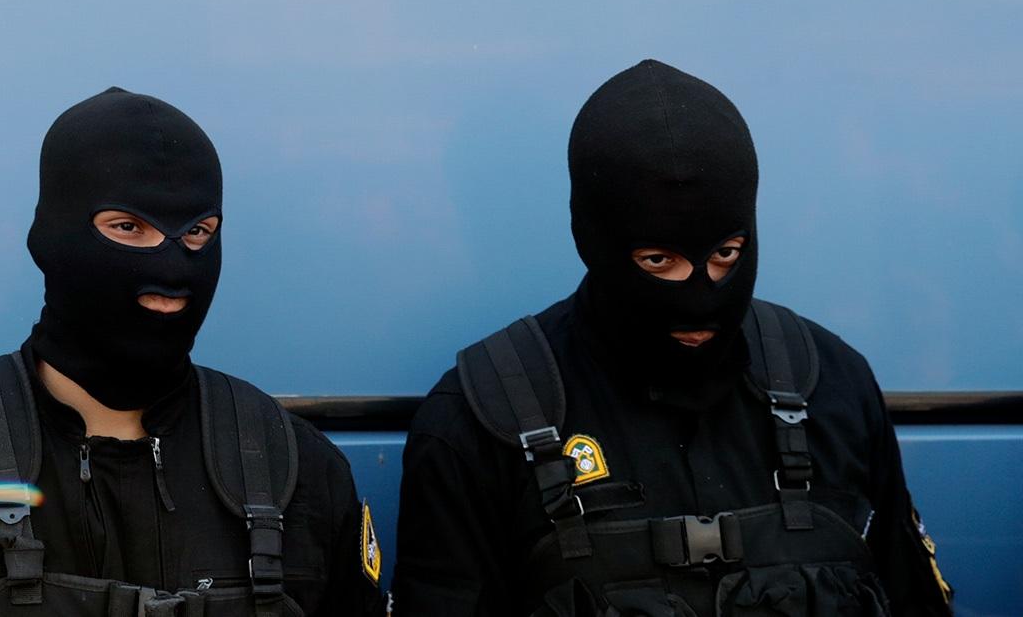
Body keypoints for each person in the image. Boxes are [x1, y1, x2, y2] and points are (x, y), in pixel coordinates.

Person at [0, 86, 388, 616]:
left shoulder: (300, 472)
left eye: (197, 233)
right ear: (53, 237)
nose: (171, 269)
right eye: (128, 228)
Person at [393, 60, 956, 616]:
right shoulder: (479, 422)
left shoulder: (833, 387)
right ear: (592, 241)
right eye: (659, 261)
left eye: (725, 254)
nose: (701, 298)